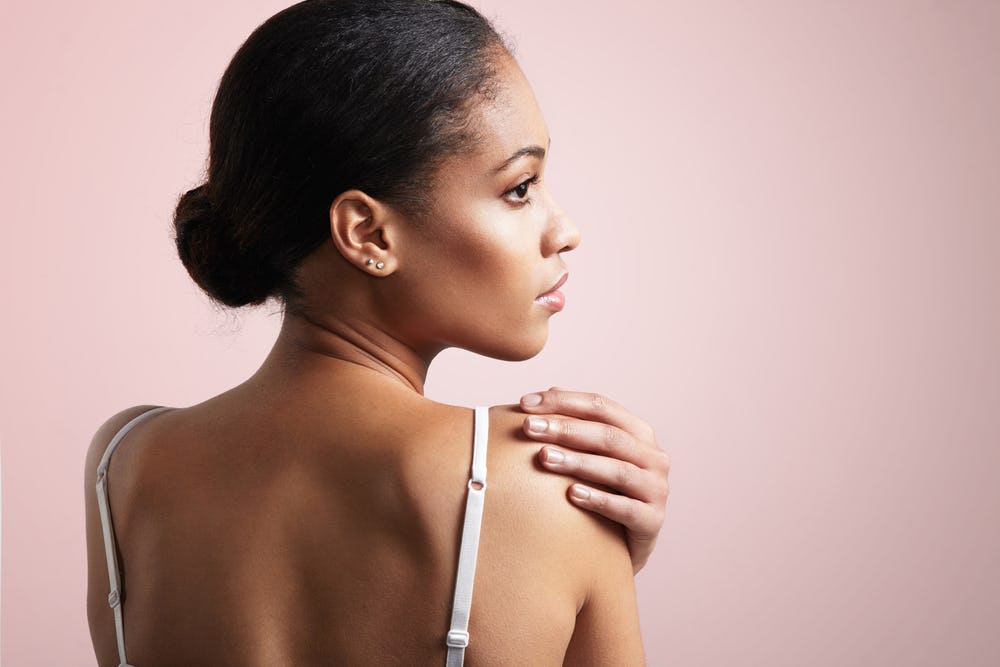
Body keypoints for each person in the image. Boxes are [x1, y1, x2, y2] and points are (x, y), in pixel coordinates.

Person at [84, 1, 670, 664]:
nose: (564, 230)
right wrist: (595, 551)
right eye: (520, 186)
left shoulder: (125, 463)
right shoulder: (547, 484)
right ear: (367, 233)